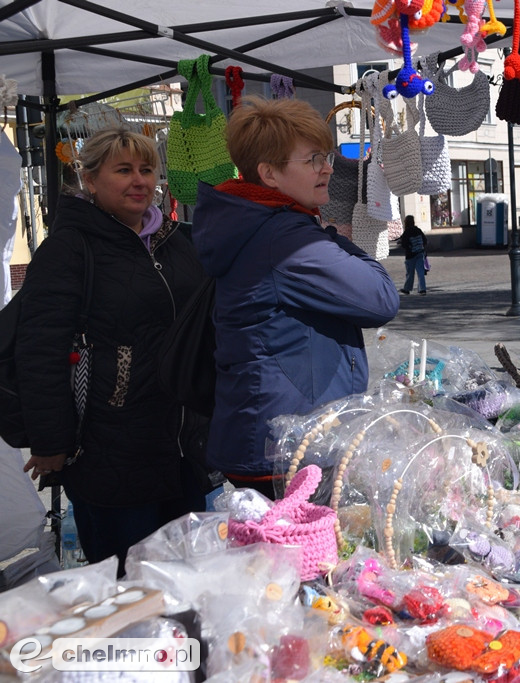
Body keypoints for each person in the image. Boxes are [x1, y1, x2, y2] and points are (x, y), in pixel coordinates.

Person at [16, 128, 209, 574]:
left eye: (147, 170)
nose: (140, 181)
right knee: (130, 584)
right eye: (123, 170)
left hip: (182, 445)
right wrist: (50, 443)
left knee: (191, 576)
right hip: (108, 448)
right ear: (89, 180)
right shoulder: (69, 248)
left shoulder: (177, 241)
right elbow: (38, 350)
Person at [192, 97, 400, 498]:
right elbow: (381, 299)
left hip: (266, 432)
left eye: (325, 155)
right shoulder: (286, 239)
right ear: (269, 173)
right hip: (283, 446)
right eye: (312, 160)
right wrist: (341, 241)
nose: (327, 167)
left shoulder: (255, 222)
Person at [399, 215, 427, 295]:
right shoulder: (418, 230)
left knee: (410, 273)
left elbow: (404, 244)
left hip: (410, 255)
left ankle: (407, 288)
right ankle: (422, 289)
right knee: (420, 272)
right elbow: (425, 240)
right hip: (420, 253)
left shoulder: (407, 232)